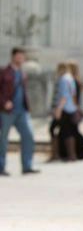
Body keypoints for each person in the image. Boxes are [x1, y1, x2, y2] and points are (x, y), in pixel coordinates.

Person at [0, 47, 40, 176]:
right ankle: (1, 167)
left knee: (28, 136)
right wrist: (4, 102)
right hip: (6, 112)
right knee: (3, 140)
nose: (21, 59)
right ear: (13, 56)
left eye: (23, 57)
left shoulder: (22, 73)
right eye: (19, 56)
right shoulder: (4, 72)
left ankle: (27, 166)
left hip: (22, 111)